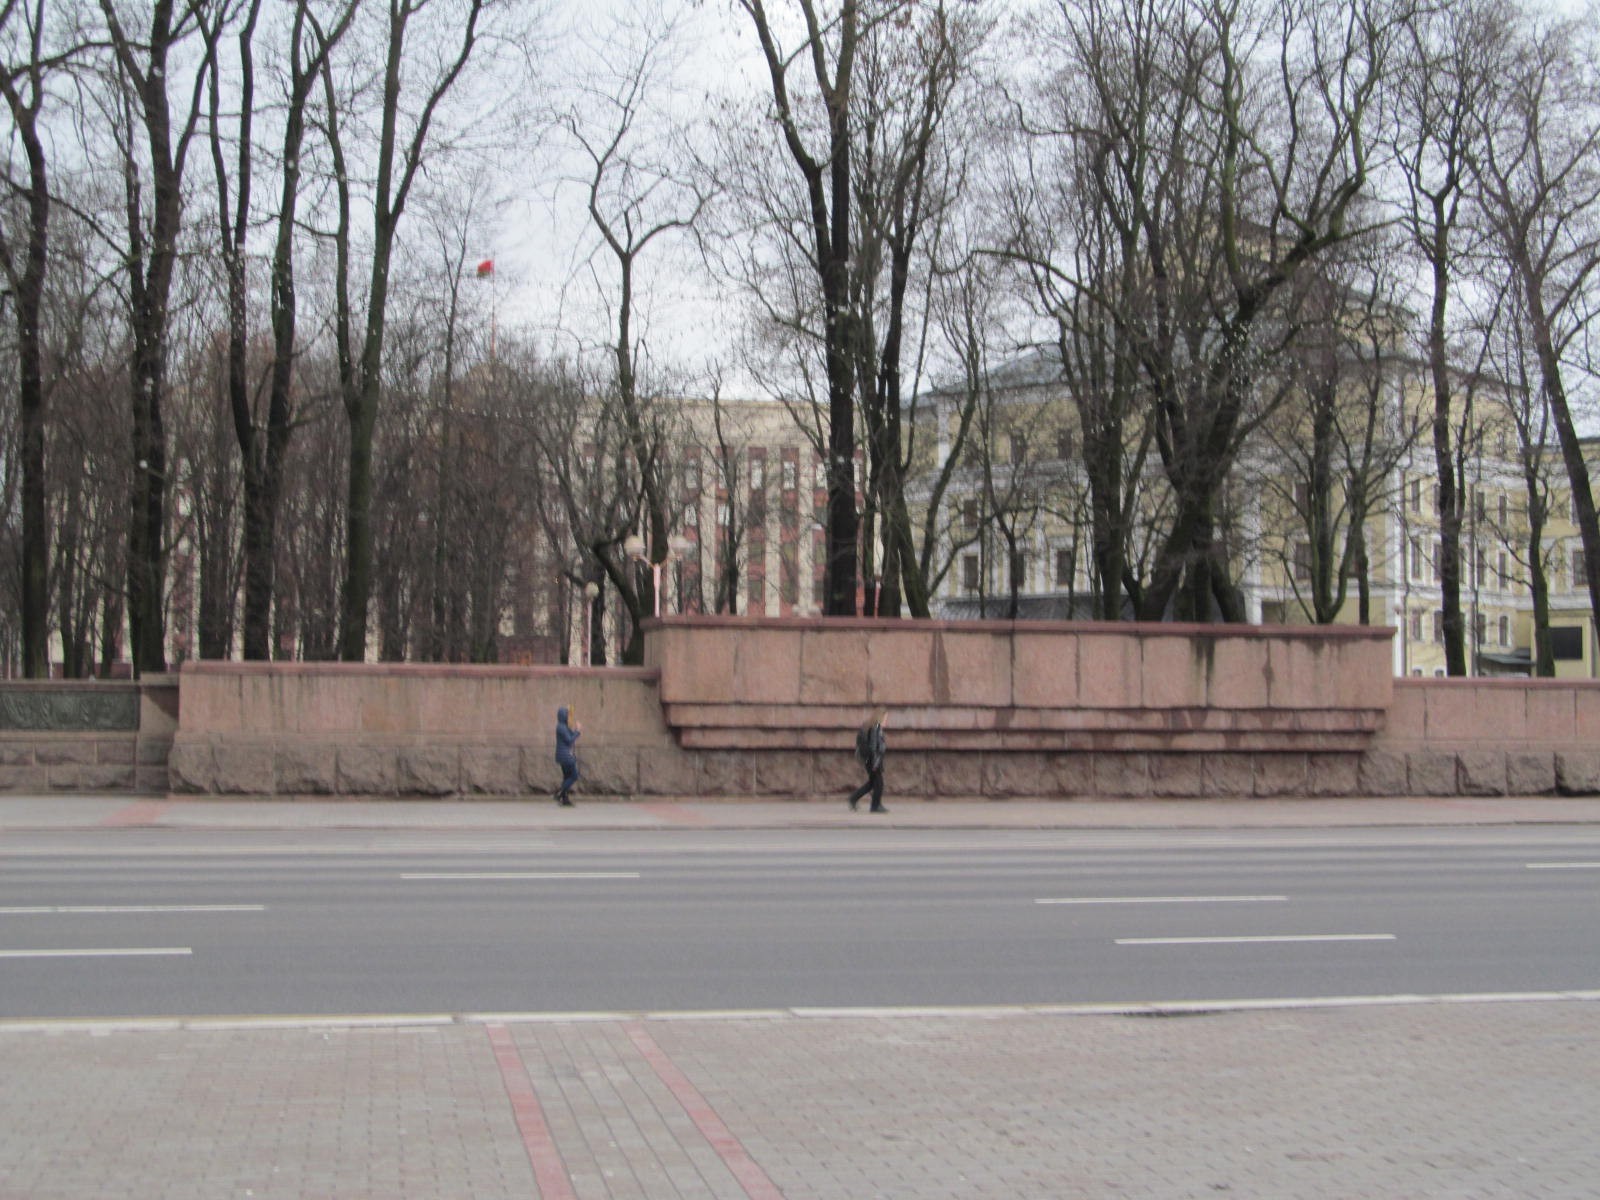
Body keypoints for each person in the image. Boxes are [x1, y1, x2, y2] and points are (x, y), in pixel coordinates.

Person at [847, 708, 888, 814]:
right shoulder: (876, 728)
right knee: (879, 783)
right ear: (880, 717)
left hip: (871, 760)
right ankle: (875, 806)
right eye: (885, 718)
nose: (886, 721)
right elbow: (874, 746)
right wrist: (875, 763)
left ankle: (853, 798)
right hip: (874, 760)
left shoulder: (872, 727)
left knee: (872, 783)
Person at [554, 706, 581, 807]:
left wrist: (575, 731)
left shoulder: (563, 727)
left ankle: (565, 799)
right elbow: (570, 740)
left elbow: (570, 736)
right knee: (574, 775)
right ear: (564, 716)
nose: (569, 717)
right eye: (568, 715)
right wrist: (578, 731)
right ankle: (560, 792)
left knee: (566, 777)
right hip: (566, 756)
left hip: (563, 755)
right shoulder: (561, 727)